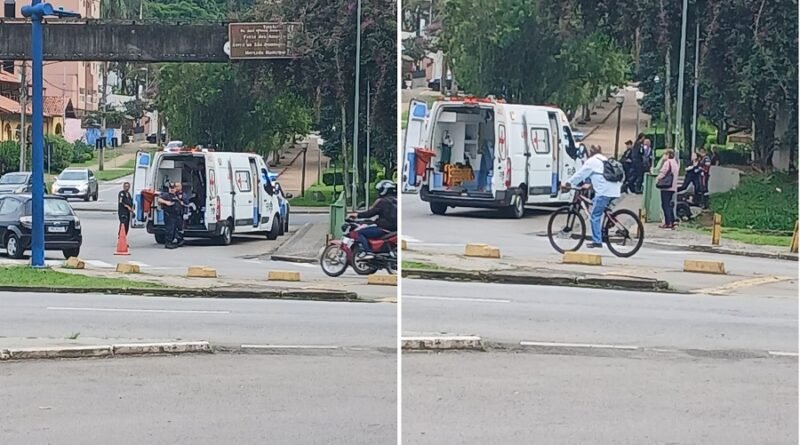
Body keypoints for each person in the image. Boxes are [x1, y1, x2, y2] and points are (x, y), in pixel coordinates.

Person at [562, 144, 622, 248]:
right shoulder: (604, 159)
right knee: (597, 203)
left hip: (604, 192)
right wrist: (589, 184)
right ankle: (610, 220)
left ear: (591, 152)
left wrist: (568, 183)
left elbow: (580, 174)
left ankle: (597, 241)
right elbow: (598, 175)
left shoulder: (592, 161)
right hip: (615, 190)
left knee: (595, 215)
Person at [349, 180, 398, 259]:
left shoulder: (383, 201)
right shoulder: (396, 200)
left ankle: (367, 252)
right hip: (394, 229)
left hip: (384, 229)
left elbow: (370, 213)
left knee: (359, 233)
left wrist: (357, 215)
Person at [656, 149, 680, 229]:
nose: (663, 156)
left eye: (665, 154)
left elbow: (663, 172)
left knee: (665, 205)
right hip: (673, 187)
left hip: (666, 187)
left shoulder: (667, 163)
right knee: (669, 205)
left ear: (668, 155)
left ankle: (667, 222)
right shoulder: (675, 163)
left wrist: (658, 178)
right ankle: (672, 221)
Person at [157, 183, 181, 249]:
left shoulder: (175, 195)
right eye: (171, 188)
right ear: (169, 188)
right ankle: (168, 243)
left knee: (173, 230)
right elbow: (159, 199)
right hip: (169, 215)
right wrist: (166, 202)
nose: (172, 189)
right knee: (169, 230)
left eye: (173, 188)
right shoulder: (166, 195)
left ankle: (171, 242)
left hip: (175, 215)